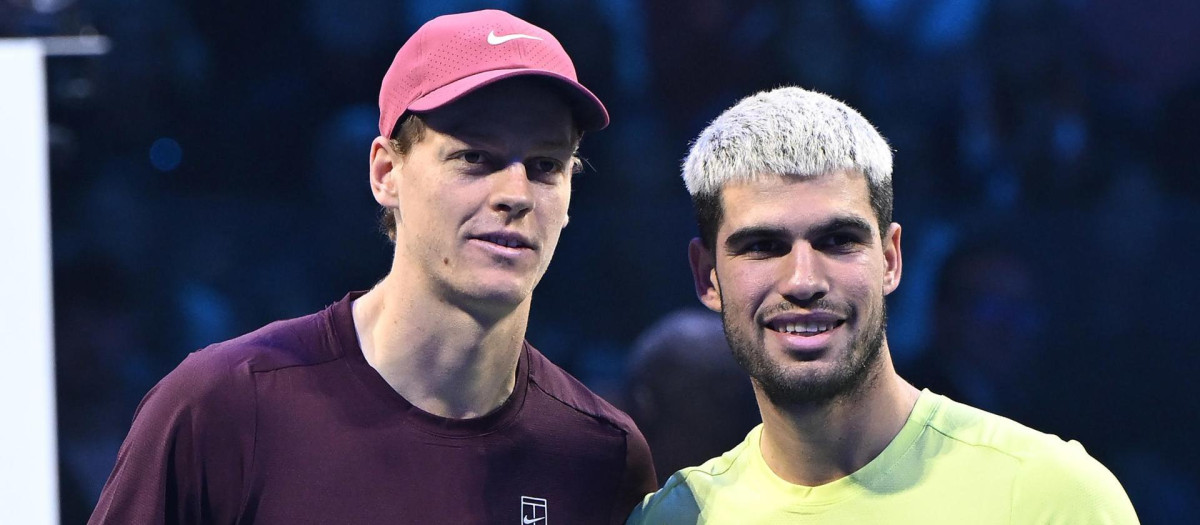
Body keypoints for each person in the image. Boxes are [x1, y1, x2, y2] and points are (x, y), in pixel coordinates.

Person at [89, 10, 655, 524]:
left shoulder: (600, 455)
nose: (515, 193)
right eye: (474, 157)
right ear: (386, 173)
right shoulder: (223, 406)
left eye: (545, 165)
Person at [627, 86, 1137, 523]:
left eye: (838, 239)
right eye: (762, 246)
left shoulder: (1051, 499)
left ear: (891, 259)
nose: (803, 281)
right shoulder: (674, 517)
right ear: (706, 276)